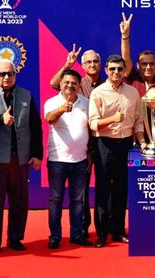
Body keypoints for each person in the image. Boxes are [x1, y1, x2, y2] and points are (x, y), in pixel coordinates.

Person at [0, 59, 43, 254]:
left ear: (16, 74)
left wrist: (37, 154)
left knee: (19, 201)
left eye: (10, 73)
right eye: (2, 74)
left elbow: (35, 127)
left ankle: (14, 238)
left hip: (19, 158)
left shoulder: (26, 95)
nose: (6, 77)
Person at [89, 54, 146, 248]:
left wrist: (142, 141)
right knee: (103, 189)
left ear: (124, 71)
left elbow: (138, 120)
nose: (116, 72)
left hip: (126, 145)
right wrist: (112, 119)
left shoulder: (132, 92)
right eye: (112, 69)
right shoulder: (98, 93)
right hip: (104, 144)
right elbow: (93, 123)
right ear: (106, 70)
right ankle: (102, 233)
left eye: (120, 69)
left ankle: (118, 230)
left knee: (122, 189)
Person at [50, 44, 104, 239]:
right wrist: (67, 64)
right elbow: (55, 84)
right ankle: (81, 228)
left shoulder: (108, 82)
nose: (92, 64)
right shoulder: (77, 82)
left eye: (95, 61)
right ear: (82, 65)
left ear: (101, 64)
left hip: (100, 145)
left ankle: (103, 227)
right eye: (88, 62)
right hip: (76, 152)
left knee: (102, 189)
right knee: (78, 195)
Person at [44, 69, 93, 249]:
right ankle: (55, 236)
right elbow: (49, 118)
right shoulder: (52, 102)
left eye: (74, 83)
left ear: (79, 85)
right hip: (58, 160)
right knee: (56, 199)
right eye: (66, 82)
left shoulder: (87, 103)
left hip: (80, 160)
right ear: (61, 84)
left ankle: (76, 234)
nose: (70, 86)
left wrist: (90, 153)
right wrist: (61, 109)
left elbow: (91, 129)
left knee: (78, 200)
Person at [120, 12, 155, 96]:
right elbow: (126, 58)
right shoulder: (131, 79)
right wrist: (125, 36)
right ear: (138, 65)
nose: (148, 67)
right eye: (144, 64)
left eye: (151, 63)